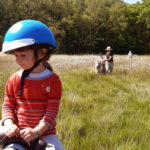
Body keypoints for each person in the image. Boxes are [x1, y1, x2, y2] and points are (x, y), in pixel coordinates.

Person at [1, 20, 64, 150]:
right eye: (16, 56)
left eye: (23, 55)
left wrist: (36, 132)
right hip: (18, 134)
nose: (18, 60)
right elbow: (8, 105)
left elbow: (51, 113)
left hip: (45, 134)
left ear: (42, 53)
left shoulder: (53, 81)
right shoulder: (14, 79)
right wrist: (9, 124)